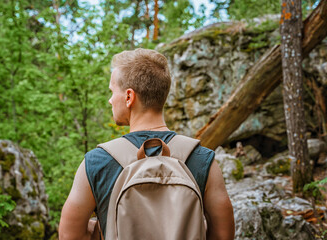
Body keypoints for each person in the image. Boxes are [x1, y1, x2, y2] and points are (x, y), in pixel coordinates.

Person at [59, 48, 235, 240]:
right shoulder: (203, 160)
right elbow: (223, 235)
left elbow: (69, 236)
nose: (110, 100)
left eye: (112, 91)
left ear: (129, 97)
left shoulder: (96, 162)